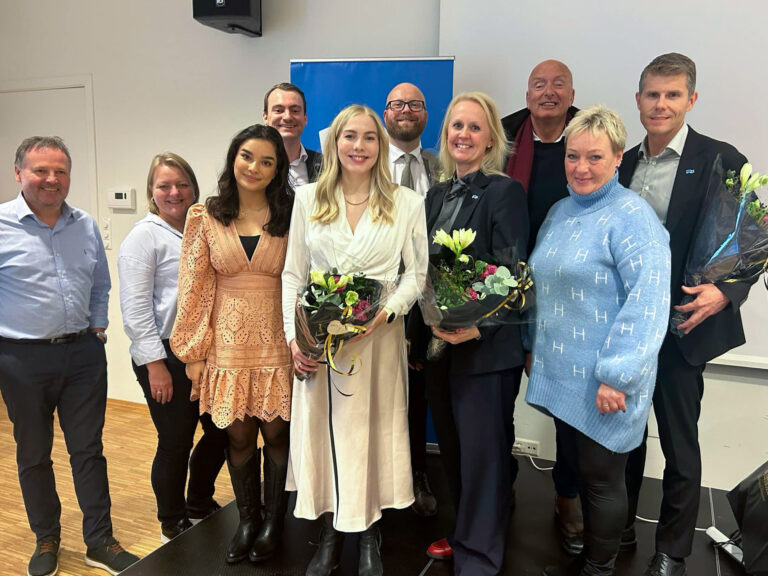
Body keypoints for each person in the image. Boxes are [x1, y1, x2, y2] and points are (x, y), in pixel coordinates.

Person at [282, 104, 428, 576]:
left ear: (380, 146)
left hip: (378, 341)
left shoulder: (406, 202)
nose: (358, 146)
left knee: (370, 435)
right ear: (334, 143)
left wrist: (384, 315)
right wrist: (295, 339)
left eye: (368, 138)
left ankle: (368, 532)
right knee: (326, 435)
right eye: (350, 136)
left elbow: (417, 275)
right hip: (322, 344)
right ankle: (328, 532)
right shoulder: (307, 200)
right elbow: (292, 275)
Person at [619, 53, 750, 576]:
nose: (661, 104)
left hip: (680, 327)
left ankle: (672, 552)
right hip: (627, 327)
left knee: (678, 443)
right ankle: (617, 529)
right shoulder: (623, 162)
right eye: (652, 94)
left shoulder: (722, 158)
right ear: (638, 99)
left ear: (691, 100)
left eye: (672, 95)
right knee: (622, 439)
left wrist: (727, 293)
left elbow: (750, 239)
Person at [526, 104, 671, 576]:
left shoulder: (633, 216)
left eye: (594, 157)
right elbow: (541, 284)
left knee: (603, 481)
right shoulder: (559, 210)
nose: (581, 168)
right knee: (581, 472)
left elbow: (648, 303)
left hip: (606, 380)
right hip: (566, 372)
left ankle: (600, 568)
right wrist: (533, 345)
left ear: (616, 160)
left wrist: (618, 375)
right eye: (572, 156)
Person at [0, 136, 139, 576]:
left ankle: (100, 540)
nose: (51, 179)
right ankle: (47, 540)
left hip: (82, 355)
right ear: (19, 172)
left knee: (89, 450)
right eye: (41, 170)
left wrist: (98, 326)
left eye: (60, 171)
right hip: (21, 360)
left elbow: (100, 283)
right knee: (34, 454)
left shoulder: (85, 224)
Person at [408, 92, 529, 576]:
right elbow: (422, 272)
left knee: (484, 455)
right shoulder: (435, 195)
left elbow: (513, 272)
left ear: (491, 139)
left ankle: (479, 556)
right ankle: (466, 532)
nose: (464, 135)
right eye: (457, 125)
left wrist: (477, 325)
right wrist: (420, 340)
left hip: (485, 349)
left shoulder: (504, 192)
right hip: (440, 349)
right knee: (456, 452)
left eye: (475, 128)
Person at [170, 125, 295, 565]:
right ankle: (247, 519)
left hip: (278, 340)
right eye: (247, 156)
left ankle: (274, 524)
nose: (254, 167)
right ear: (233, 158)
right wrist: (193, 353)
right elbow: (194, 287)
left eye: (267, 161)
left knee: (277, 432)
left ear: (278, 169)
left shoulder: (293, 212)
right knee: (238, 435)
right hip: (225, 342)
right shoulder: (205, 215)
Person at [118, 153, 228, 544]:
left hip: (206, 350)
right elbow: (134, 309)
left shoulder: (206, 228)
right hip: (163, 354)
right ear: (152, 191)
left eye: (181, 183)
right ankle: (172, 519)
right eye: (164, 185)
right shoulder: (143, 237)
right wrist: (155, 365)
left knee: (222, 432)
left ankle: (198, 500)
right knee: (176, 440)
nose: (174, 192)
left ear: (194, 187)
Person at [502, 58, 584, 555]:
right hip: (503, 292)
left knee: (568, 409)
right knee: (495, 399)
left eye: (558, 85)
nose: (548, 92)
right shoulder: (507, 135)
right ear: (527, 92)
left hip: (566, 297)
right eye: (539, 84)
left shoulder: (586, 135)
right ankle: (499, 489)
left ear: (572, 92)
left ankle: (568, 496)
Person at [383, 81, 442, 518]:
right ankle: (377, 478)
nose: (406, 110)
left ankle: (415, 472)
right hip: (377, 304)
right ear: (386, 113)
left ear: (426, 114)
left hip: (430, 302)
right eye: (397, 104)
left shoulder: (441, 167)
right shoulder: (363, 165)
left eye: (415, 104)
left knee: (419, 391)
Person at [263, 82, 322, 187]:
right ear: (266, 117)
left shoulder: (325, 165)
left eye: (295, 110)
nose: (287, 117)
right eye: (278, 110)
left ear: (305, 118)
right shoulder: (254, 166)